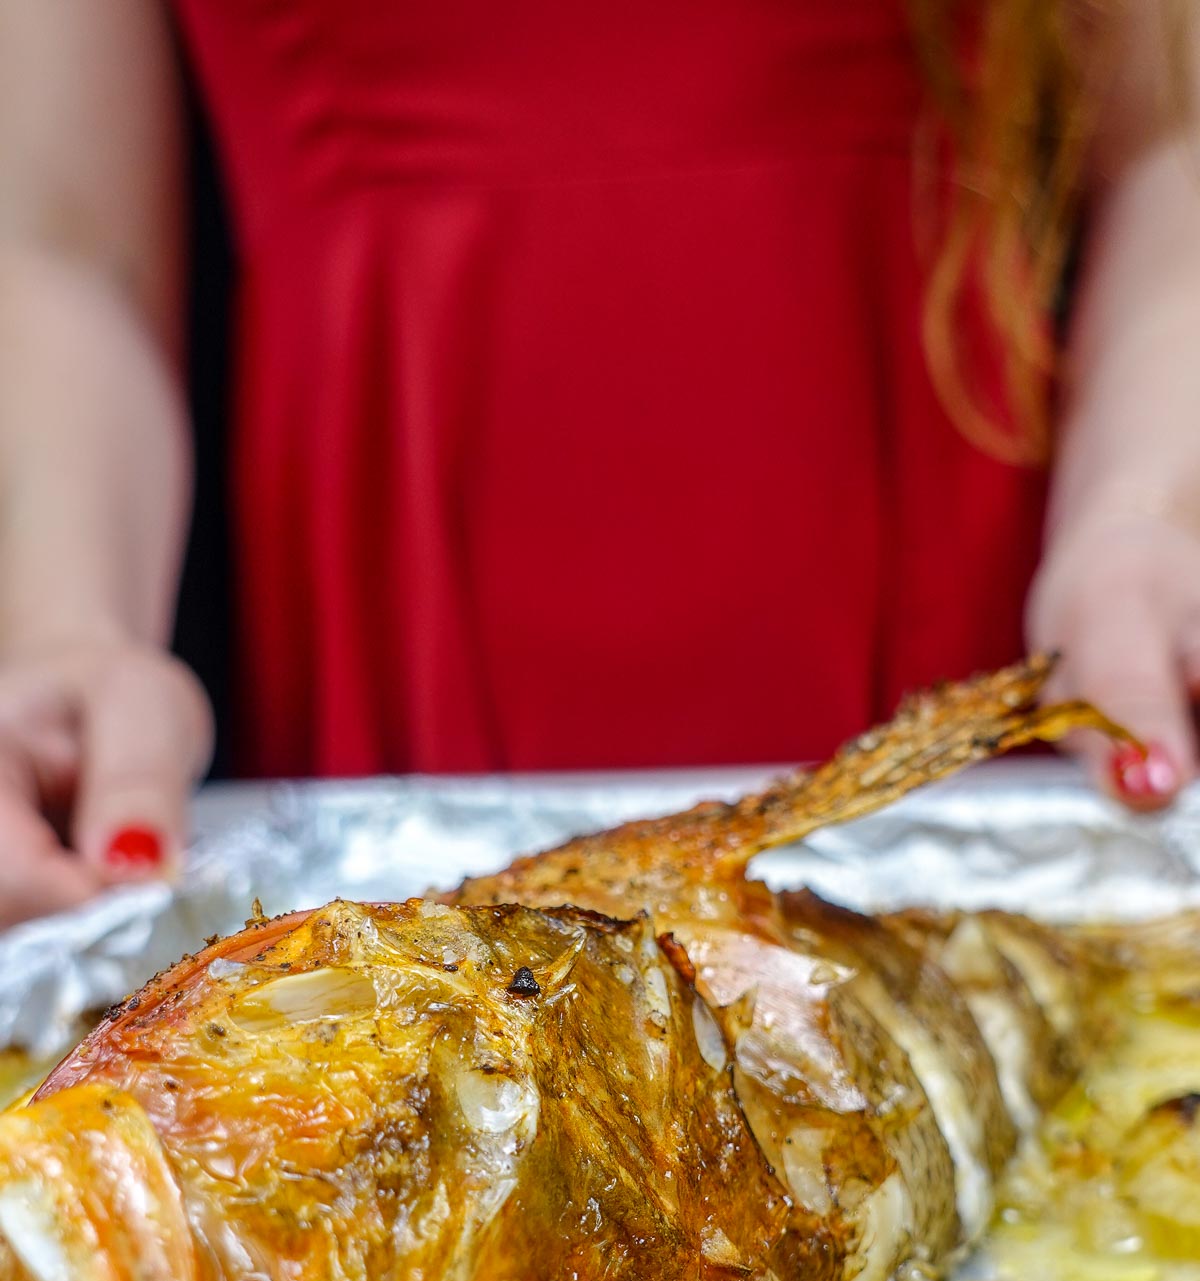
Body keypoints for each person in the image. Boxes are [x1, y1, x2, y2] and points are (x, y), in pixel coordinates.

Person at [0, 1, 1195, 928]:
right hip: (382, 647)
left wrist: (1152, 510)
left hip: (969, 641)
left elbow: (1171, 141)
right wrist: (65, 627)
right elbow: (63, 244)